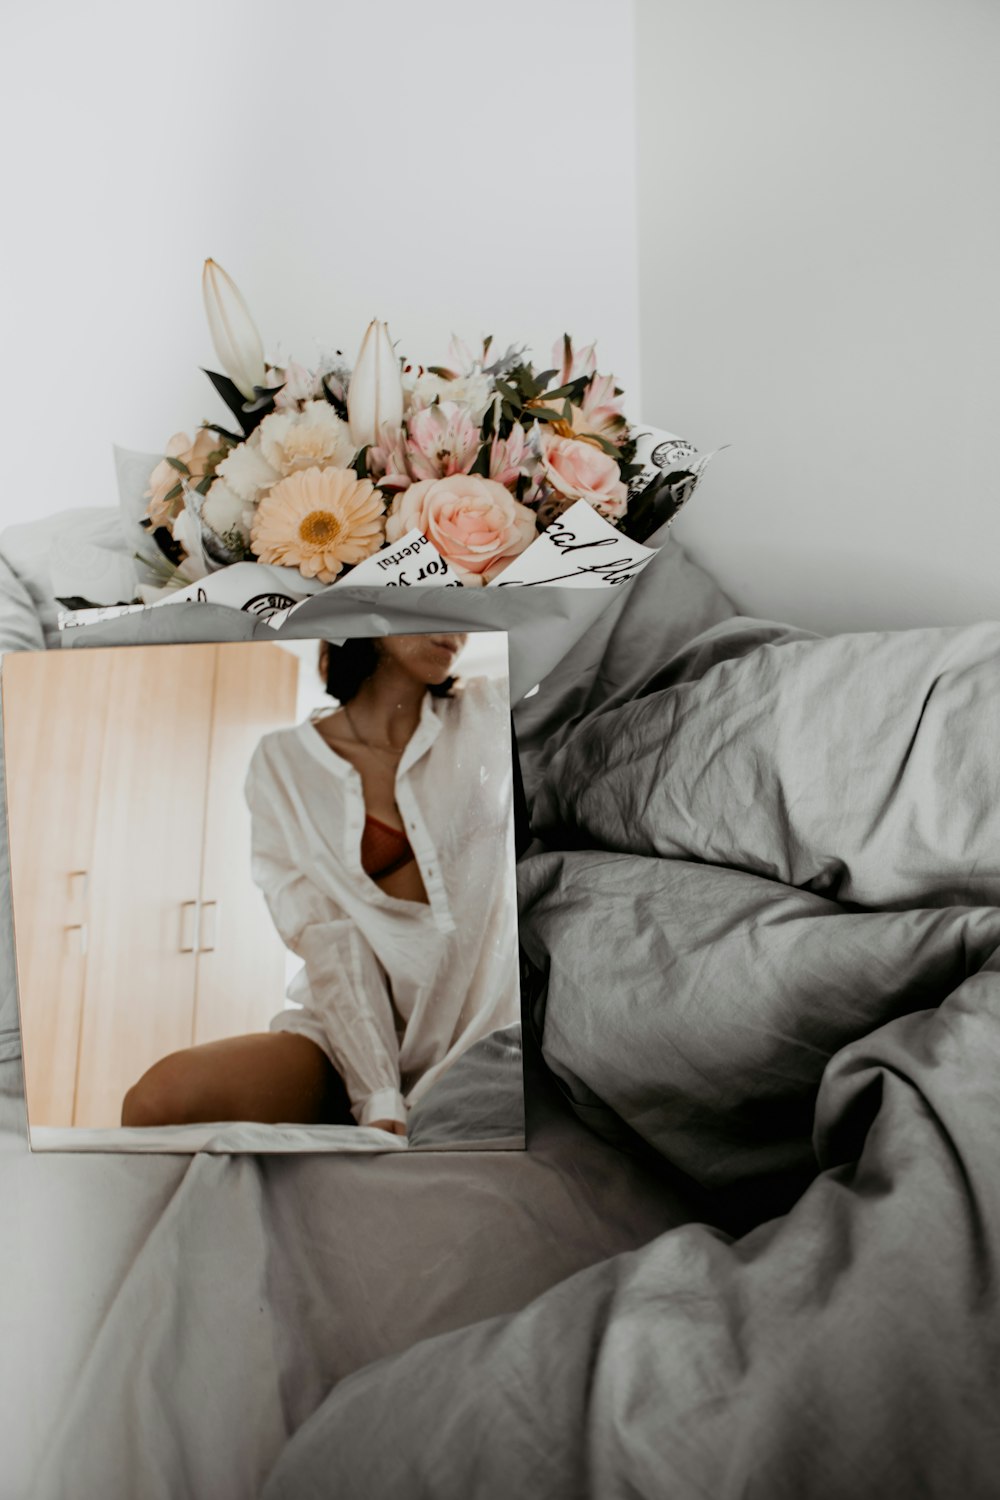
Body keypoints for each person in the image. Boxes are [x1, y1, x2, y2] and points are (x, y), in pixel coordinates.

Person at [120, 633, 520, 1138]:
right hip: (351, 1031)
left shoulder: (490, 711)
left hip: (486, 1024)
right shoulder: (283, 763)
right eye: (430, 603)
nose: (456, 629)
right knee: (159, 1101)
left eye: (463, 611)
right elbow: (329, 936)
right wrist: (378, 1095)